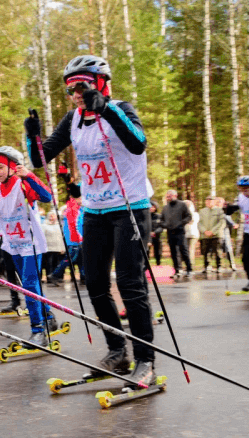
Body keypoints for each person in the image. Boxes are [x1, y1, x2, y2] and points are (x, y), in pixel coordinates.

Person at [27, 54, 156, 387]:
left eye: (81, 86)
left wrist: (106, 108)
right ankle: (117, 351)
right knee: (94, 283)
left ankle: (145, 359)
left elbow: (138, 144)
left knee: (130, 283)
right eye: (70, 89)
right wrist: (33, 136)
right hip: (94, 211)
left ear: (100, 83)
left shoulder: (121, 109)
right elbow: (40, 159)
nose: (75, 94)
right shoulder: (72, 119)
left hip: (130, 208)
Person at [0, 147, 56, 343]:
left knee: (29, 284)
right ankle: (49, 316)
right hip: (13, 242)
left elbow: (47, 197)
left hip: (31, 243)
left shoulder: (22, 184)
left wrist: (29, 176)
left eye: (1, 167)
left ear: (13, 167)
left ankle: (38, 330)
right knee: (28, 284)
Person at [161, 190, 192, 278]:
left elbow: (189, 216)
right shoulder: (165, 207)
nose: (168, 198)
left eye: (170, 196)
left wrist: (181, 223)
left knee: (184, 250)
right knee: (173, 252)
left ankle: (189, 269)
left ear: (175, 195)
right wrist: (164, 225)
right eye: (167, 196)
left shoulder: (182, 205)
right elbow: (162, 219)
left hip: (180, 231)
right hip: (170, 232)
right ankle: (177, 270)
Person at [196, 196, 228, 274]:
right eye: (207, 201)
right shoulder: (202, 211)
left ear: (214, 202)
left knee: (218, 251)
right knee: (205, 251)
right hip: (205, 235)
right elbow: (199, 223)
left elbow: (222, 223)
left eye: (210, 201)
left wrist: (213, 231)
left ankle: (219, 266)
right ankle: (207, 266)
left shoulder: (220, 211)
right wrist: (205, 231)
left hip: (217, 235)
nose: (208, 202)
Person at [42, 208, 66, 286]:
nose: (51, 217)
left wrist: (63, 248)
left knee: (56, 263)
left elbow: (61, 238)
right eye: (50, 216)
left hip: (58, 248)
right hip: (48, 248)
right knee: (49, 264)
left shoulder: (59, 226)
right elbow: (42, 237)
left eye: (53, 216)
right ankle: (49, 277)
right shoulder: (44, 226)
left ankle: (55, 277)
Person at [148, 200, 164, 266]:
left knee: (158, 252)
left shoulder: (159, 216)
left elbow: (161, 227)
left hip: (157, 237)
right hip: (147, 237)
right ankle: (146, 266)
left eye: (154, 207)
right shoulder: (145, 216)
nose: (152, 208)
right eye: (151, 207)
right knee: (146, 252)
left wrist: (155, 232)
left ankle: (158, 264)